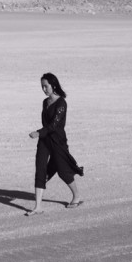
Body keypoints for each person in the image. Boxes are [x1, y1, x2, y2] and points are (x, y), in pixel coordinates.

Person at [26, 72, 84, 215]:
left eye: (46, 86)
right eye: (42, 87)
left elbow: (54, 125)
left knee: (63, 172)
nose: (44, 89)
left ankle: (76, 195)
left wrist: (39, 132)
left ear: (53, 85)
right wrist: (41, 135)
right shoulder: (45, 102)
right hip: (45, 141)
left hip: (57, 142)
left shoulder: (61, 103)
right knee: (40, 170)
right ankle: (38, 207)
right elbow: (46, 124)